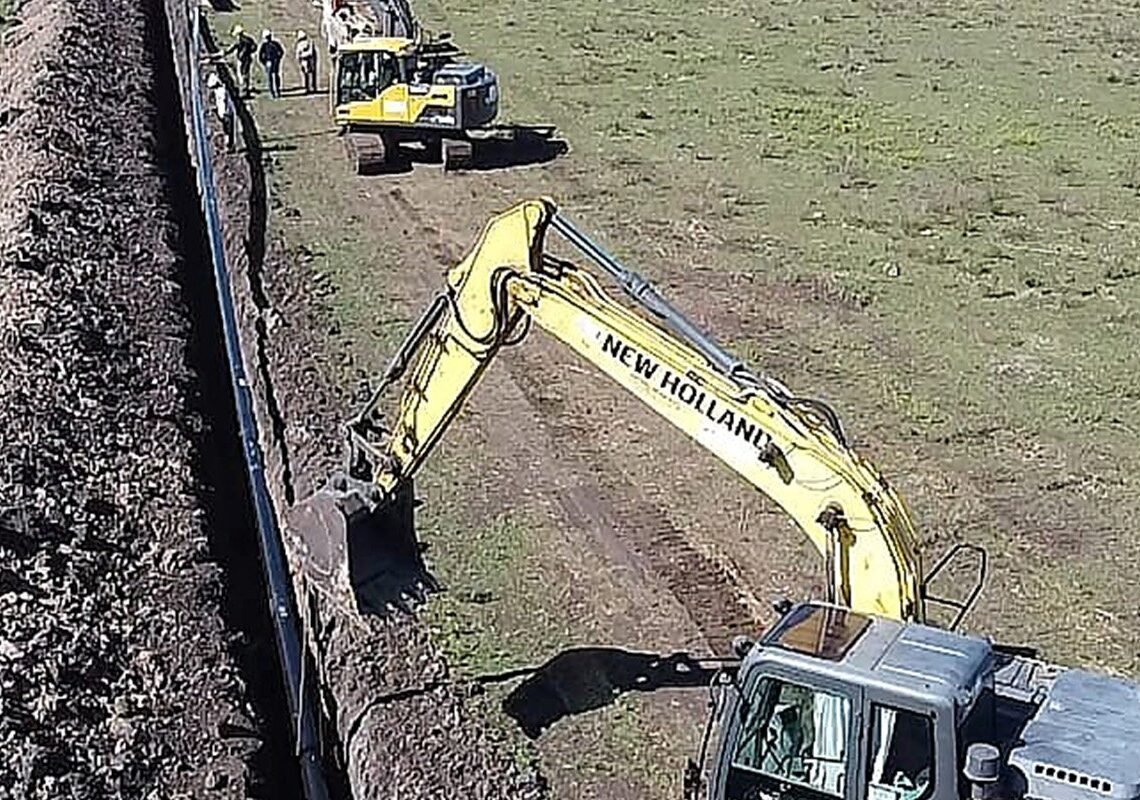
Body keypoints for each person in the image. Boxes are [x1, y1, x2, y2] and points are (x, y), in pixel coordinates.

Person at [206, 72, 237, 153]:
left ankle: (230, 146)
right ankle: (229, 145)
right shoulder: (220, 90)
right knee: (227, 131)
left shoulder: (222, 91)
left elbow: (223, 103)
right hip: (224, 114)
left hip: (226, 114)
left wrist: (221, 114)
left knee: (228, 131)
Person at [223, 24, 256, 97]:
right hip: (248, 58)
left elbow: (232, 48)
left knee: (241, 75)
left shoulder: (239, 41)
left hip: (242, 59)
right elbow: (254, 47)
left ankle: (243, 91)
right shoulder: (249, 39)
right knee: (246, 74)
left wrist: (225, 52)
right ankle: (246, 89)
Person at [258, 29, 285, 99]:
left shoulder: (265, 45)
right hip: (274, 62)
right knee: (275, 76)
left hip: (270, 62)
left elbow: (260, 56)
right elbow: (281, 52)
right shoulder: (275, 44)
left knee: (271, 78)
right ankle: (276, 91)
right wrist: (278, 59)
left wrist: (264, 62)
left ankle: (273, 92)